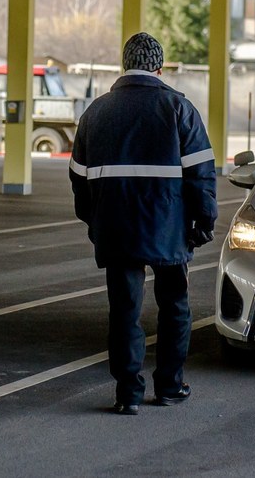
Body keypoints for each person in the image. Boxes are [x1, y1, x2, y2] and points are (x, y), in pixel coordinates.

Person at [69, 32, 218, 416]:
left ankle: (127, 393)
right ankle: (169, 386)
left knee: (124, 311)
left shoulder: (95, 113)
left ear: (124, 64)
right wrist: (203, 221)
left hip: (116, 229)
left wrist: (95, 220)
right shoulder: (178, 109)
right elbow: (201, 174)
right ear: (160, 67)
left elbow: (78, 177)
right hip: (170, 229)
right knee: (174, 308)